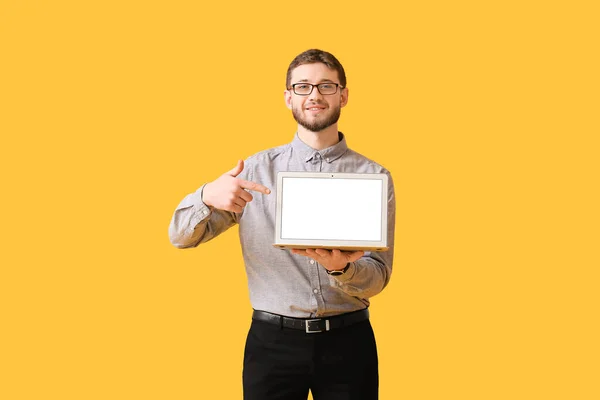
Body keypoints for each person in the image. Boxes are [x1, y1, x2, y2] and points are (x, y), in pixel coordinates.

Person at [168, 49, 396, 400]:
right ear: (288, 97)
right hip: (272, 343)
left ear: (344, 95)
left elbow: (377, 277)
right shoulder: (254, 173)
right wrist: (205, 196)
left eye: (326, 86)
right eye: (303, 86)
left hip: (349, 344)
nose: (315, 95)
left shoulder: (374, 177)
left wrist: (344, 269)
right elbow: (180, 237)